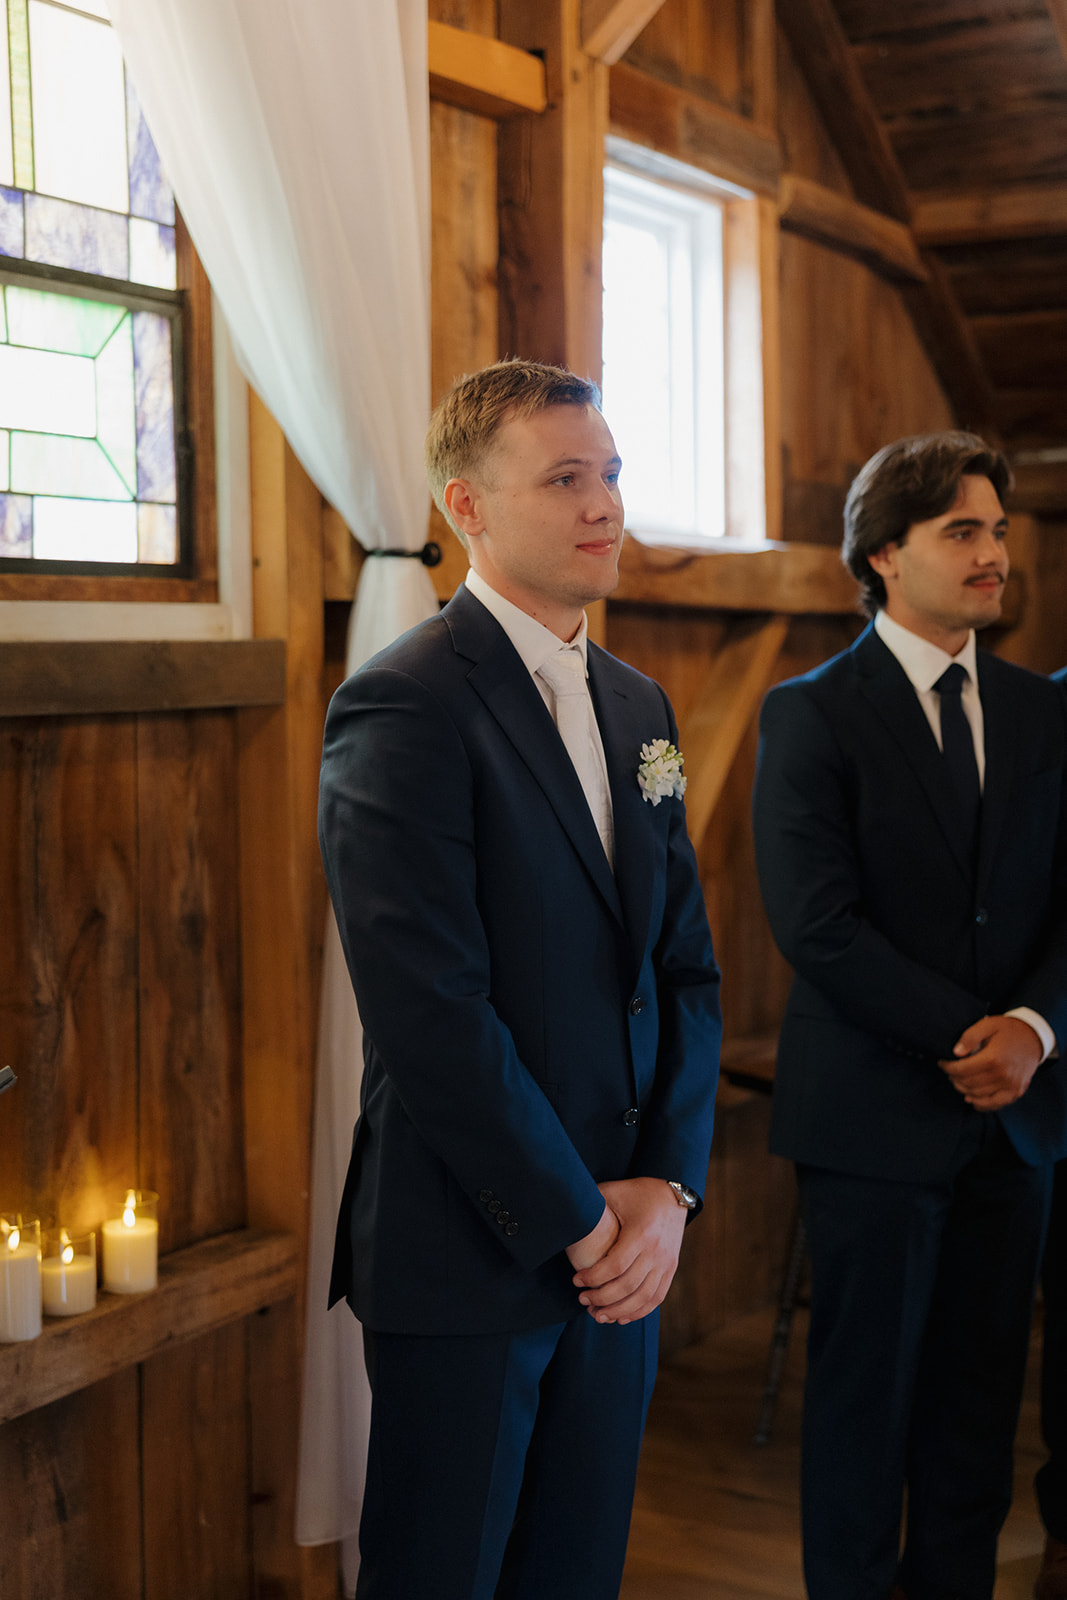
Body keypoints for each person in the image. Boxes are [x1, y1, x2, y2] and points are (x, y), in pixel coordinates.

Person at [319, 359, 722, 1600]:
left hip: (623, 1257)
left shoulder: (636, 702)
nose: (603, 504)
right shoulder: (402, 704)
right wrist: (581, 1220)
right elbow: (430, 1015)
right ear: (466, 507)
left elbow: (684, 971)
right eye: (563, 477)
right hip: (471, 1253)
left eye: (608, 474)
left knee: (574, 1574)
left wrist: (667, 1188)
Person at [751, 431, 1067, 1600]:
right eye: (961, 532)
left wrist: (1030, 1031)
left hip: (1016, 1121)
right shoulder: (812, 715)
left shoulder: (1042, 712)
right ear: (882, 553)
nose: (993, 554)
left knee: (978, 1411)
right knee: (861, 1411)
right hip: (872, 1118)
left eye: (996, 529)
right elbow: (816, 924)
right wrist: (966, 1037)